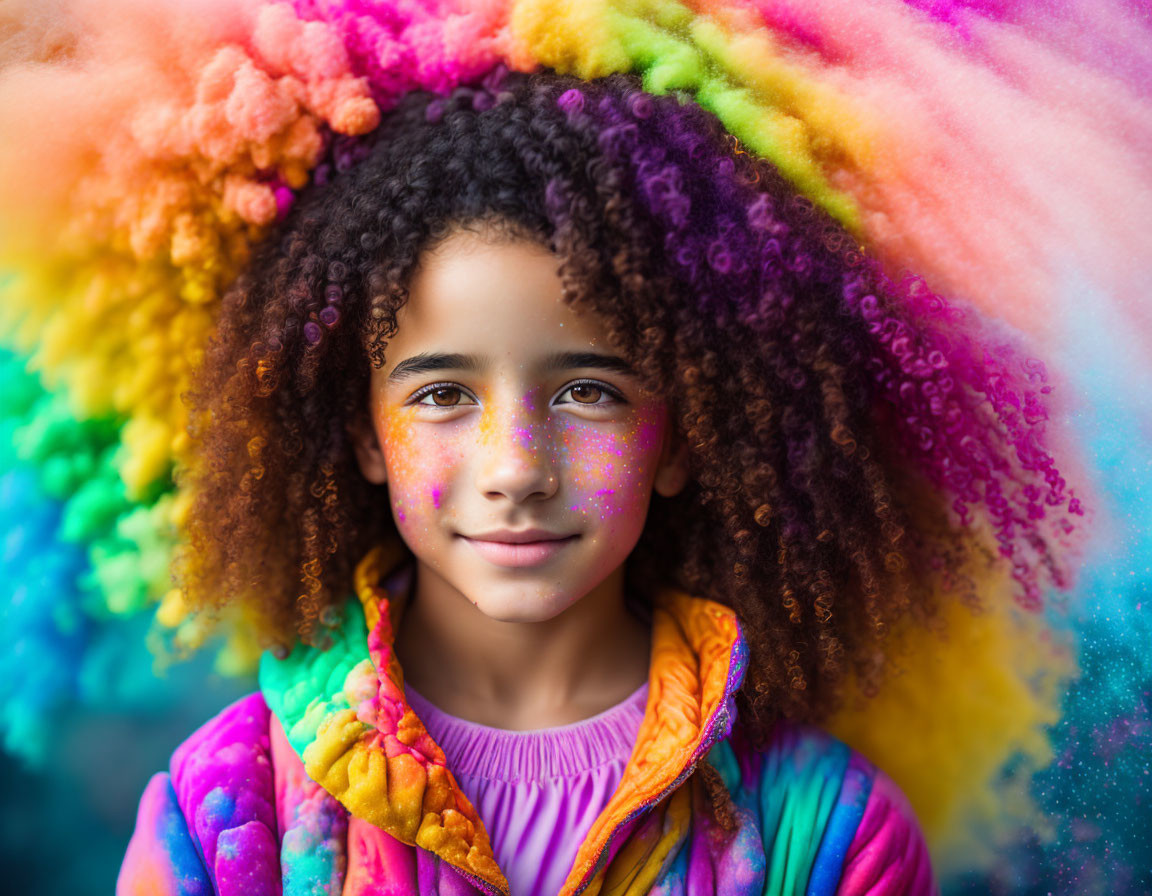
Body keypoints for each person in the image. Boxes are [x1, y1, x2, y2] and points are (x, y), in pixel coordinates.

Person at [116, 69, 1068, 895]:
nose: (517, 468)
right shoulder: (232, 813)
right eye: (443, 393)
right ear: (364, 433)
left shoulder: (825, 838)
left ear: (683, 434)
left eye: (586, 391)